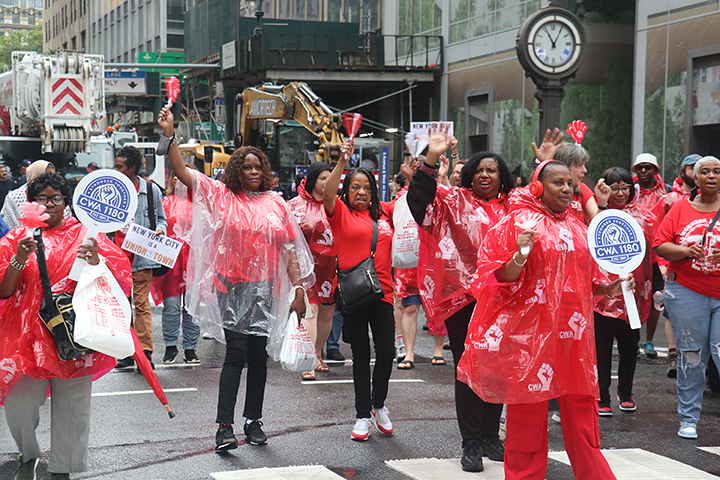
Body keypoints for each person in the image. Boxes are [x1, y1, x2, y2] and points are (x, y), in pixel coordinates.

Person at [457, 160, 632, 480]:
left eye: (570, 184)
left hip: (574, 339)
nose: (567, 189)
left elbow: (588, 282)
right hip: (530, 340)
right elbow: (498, 278)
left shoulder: (578, 227)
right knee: (527, 420)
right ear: (538, 187)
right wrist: (519, 256)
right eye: (558, 183)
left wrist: (610, 287)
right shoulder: (518, 222)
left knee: (583, 418)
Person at [158, 106, 314, 451]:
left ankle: (253, 421)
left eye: (258, 167)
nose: (253, 172)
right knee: (236, 355)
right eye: (246, 167)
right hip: (231, 287)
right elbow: (183, 173)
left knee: (259, 357)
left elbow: (289, 249)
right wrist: (170, 136)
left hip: (266, 290)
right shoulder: (221, 196)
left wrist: (299, 289)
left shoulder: (277, 204)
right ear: (235, 170)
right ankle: (224, 427)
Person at [406, 125, 561, 472]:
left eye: (492, 169)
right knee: (468, 368)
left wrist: (544, 165)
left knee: (500, 368)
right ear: (470, 177)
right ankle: (471, 443)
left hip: (505, 298)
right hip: (463, 300)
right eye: (479, 170)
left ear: (502, 176)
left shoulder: (515, 205)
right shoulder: (452, 201)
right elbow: (419, 203)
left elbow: (545, 198)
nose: (485, 174)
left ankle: (492, 436)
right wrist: (431, 158)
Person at [0, 172, 132, 480]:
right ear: (30, 203)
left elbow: (119, 281)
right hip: (26, 338)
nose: (49, 204)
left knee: (74, 409)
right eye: (41, 198)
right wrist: (19, 257)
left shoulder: (87, 235)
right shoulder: (16, 239)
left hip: (75, 336)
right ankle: (27, 455)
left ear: (66, 202)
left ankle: (63, 468)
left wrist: (97, 261)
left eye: (56, 198)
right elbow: (4, 291)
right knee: (18, 403)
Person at [324, 137, 396, 442]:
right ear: (347, 190)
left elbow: (414, 203)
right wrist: (342, 161)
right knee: (361, 354)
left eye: (367, 188)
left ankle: (379, 405)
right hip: (353, 294)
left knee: (387, 352)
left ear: (374, 191)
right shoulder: (340, 212)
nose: (362, 192)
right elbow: (328, 192)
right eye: (355, 187)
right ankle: (362, 415)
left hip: (384, 293)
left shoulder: (386, 213)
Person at [654, 155, 720, 440]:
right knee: (692, 356)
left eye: (717, 171)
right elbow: (660, 244)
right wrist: (685, 251)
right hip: (687, 292)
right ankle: (689, 419)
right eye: (705, 172)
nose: (711, 176)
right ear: (695, 177)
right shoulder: (680, 207)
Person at [593, 167, 657, 416]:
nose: (620, 193)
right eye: (614, 188)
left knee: (630, 346)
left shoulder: (643, 216)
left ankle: (626, 393)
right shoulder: (596, 214)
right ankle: (602, 396)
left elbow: (652, 253)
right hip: (603, 295)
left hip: (633, 292)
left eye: (624, 188)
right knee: (601, 349)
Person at [113, 145, 167, 370]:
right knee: (123, 305)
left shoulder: (151, 190)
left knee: (142, 304)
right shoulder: (112, 188)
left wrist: (161, 230)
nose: (115, 170)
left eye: (119, 167)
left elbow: (162, 219)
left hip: (142, 257)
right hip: (117, 257)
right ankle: (127, 351)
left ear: (132, 168)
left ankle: (144, 353)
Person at [651, 153, 702, 376]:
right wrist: (663, 263)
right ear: (683, 172)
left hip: (708, 275)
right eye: (692, 167)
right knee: (672, 313)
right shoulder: (671, 200)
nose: (697, 172)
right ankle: (674, 357)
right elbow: (657, 232)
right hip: (676, 269)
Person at [288, 161, 336, 381]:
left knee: (327, 314)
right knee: (311, 311)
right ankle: (308, 362)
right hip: (305, 268)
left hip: (331, 267)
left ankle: (317, 355)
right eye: (322, 178)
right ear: (312, 180)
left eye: (330, 178)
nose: (326, 182)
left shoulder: (336, 204)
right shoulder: (294, 205)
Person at [152, 169, 200, 365]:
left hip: (194, 262)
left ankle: (190, 348)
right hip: (171, 262)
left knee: (191, 307)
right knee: (171, 305)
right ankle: (170, 346)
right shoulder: (165, 203)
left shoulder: (200, 205)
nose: (179, 180)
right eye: (176, 176)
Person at [631, 153, 671, 359]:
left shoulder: (667, 193)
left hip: (656, 251)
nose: (644, 171)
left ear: (656, 170)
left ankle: (649, 340)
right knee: (633, 293)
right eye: (640, 167)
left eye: (648, 167)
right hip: (633, 250)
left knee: (656, 295)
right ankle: (633, 339)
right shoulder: (629, 189)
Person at [554, 143, 607, 224]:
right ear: (566, 166)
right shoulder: (550, 189)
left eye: (584, 165)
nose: (585, 170)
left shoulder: (582, 189)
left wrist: (602, 202)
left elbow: (598, 223)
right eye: (580, 165)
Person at [2, 161, 59, 230]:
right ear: (35, 176)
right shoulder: (15, 197)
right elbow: (7, 224)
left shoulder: (58, 194)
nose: (51, 180)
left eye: (54, 176)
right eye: (47, 176)